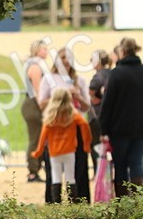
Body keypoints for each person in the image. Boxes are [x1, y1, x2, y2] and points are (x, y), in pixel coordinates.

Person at [99, 37, 143, 197]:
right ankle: (139, 201)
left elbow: (107, 104)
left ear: (122, 52)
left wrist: (103, 129)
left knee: (121, 166)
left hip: (119, 128)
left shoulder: (116, 74)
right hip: (142, 126)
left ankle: (123, 202)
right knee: (136, 163)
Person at [32, 87, 92, 203]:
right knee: (70, 177)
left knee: (56, 177)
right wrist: (86, 145)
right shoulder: (72, 115)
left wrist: (38, 151)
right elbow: (84, 125)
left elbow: (43, 135)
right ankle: (72, 203)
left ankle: (56, 203)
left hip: (54, 152)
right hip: (69, 150)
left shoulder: (50, 117)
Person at [21, 38, 51, 183]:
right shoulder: (35, 67)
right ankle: (33, 171)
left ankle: (36, 169)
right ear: (38, 51)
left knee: (39, 138)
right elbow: (38, 90)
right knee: (35, 139)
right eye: (44, 49)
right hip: (34, 105)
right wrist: (43, 108)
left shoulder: (34, 65)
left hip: (33, 105)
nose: (46, 51)